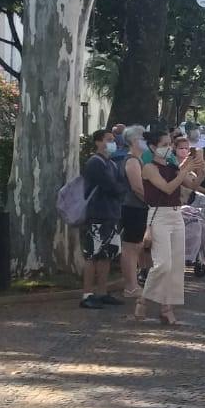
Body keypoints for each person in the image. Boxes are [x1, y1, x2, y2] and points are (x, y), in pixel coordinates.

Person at [134, 130, 205, 326]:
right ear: (154, 147)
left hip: (176, 214)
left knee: (175, 265)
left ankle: (167, 308)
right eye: (164, 144)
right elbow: (167, 187)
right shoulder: (149, 168)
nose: (168, 148)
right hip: (158, 215)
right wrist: (184, 169)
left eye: (169, 144)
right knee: (163, 263)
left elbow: (191, 184)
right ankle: (143, 299)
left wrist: (200, 168)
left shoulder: (174, 165)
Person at [80, 130, 128, 309]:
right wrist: (120, 187)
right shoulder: (95, 163)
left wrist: (120, 187)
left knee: (106, 255)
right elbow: (112, 186)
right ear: (98, 142)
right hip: (97, 214)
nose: (112, 143)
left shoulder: (111, 164)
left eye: (113, 140)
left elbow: (119, 184)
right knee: (93, 255)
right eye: (108, 140)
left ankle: (101, 291)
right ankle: (87, 294)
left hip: (111, 214)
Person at [117, 125, 150, 299]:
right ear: (135, 140)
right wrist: (152, 202)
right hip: (133, 208)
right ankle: (130, 286)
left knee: (136, 247)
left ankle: (133, 284)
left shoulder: (138, 159)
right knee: (130, 247)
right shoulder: (132, 161)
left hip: (138, 208)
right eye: (144, 138)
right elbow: (137, 187)